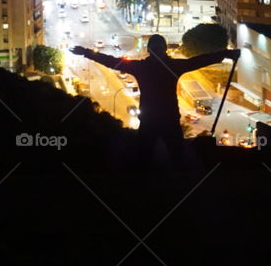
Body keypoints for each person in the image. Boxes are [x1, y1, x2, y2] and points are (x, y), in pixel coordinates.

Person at [71, 35, 240, 168]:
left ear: (149, 50)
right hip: (169, 118)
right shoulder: (173, 66)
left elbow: (111, 61)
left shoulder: (140, 67)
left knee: (144, 157)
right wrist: (226, 54)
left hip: (150, 120)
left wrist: (85, 52)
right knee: (176, 157)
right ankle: (180, 187)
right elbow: (199, 61)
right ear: (165, 49)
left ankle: (145, 190)